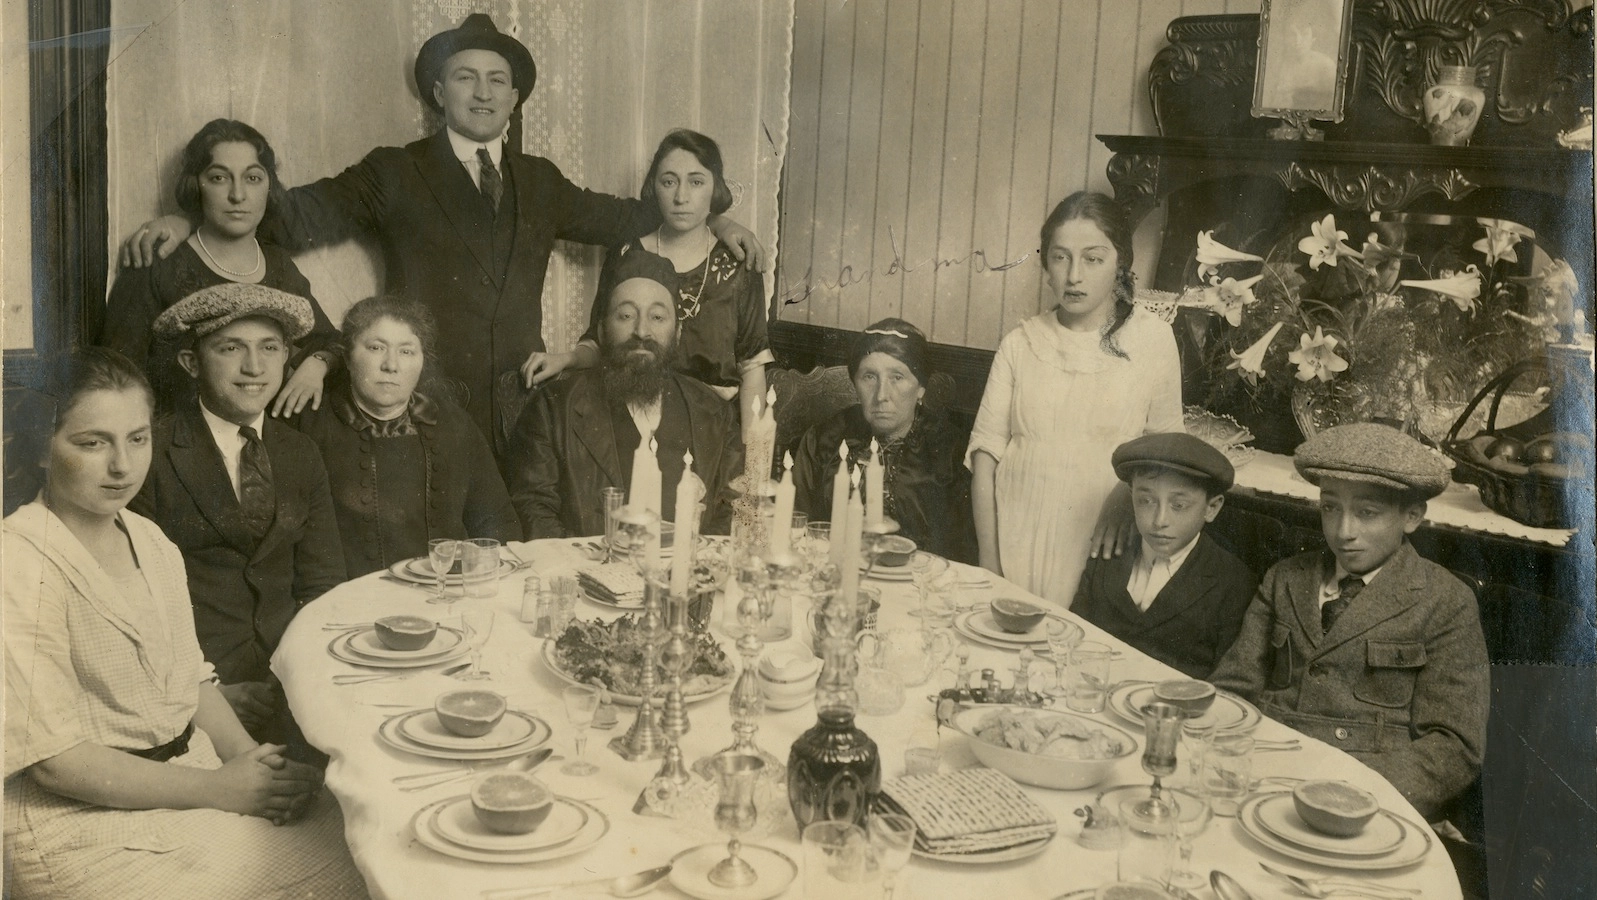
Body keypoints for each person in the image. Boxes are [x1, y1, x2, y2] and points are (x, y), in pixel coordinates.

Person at [121, 14, 764, 445]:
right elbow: (287, 214)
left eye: (497, 81)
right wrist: (187, 215)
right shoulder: (395, 171)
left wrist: (722, 212)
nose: (482, 93)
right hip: (419, 403)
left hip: (524, 406)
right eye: (465, 77)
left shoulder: (541, 180)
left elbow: (637, 213)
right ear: (438, 91)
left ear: (515, 98)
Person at [2, 348, 366, 900]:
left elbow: (188, 680)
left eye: (138, 438)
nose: (123, 465)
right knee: (357, 872)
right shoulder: (20, 562)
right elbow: (56, 764)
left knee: (364, 833)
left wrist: (249, 758)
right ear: (44, 450)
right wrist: (224, 790)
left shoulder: (150, 541)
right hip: (84, 830)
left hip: (185, 782)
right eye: (93, 442)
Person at [1210, 423, 1489, 819]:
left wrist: (1351, 789)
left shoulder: (1445, 602)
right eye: (1330, 507)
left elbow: (1453, 746)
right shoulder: (1285, 578)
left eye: (1367, 513)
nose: (1344, 532)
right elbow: (1232, 691)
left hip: (1367, 802)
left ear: (1412, 516)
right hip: (1260, 780)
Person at [130, 283, 346, 741]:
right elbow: (137, 605)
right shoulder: (151, 450)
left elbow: (323, 584)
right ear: (191, 363)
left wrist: (295, 678)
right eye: (231, 348)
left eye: (269, 348)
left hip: (292, 684)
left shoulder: (300, 452)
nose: (254, 367)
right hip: (195, 697)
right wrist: (207, 693)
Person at [967, 191, 1184, 606]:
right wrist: (988, 562)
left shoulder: (1153, 340)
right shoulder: (1020, 344)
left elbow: (1167, 447)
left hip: (1102, 547)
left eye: (1093, 258)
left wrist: (1125, 496)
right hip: (1016, 539)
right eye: (1060, 257)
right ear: (1046, 265)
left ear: (1120, 263)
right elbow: (984, 457)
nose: (1074, 276)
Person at [99, 118, 341, 417]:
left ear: (269, 187)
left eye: (252, 178)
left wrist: (317, 363)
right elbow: (116, 375)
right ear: (196, 185)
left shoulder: (278, 264)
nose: (237, 195)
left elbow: (329, 340)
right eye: (219, 178)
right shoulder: (157, 262)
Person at [507, 246, 743, 539]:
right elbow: (533, 511)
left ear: (678, 333)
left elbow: (735, 508)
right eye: (626, 315)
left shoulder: (714, 412)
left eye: (657, 317)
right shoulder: (553, 407)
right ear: (603, 331)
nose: (641, 331)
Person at [557, 130, 772, 431]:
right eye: (668, 181)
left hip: (712, 430)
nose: (681, 197)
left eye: (696, 182)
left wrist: (752, 466)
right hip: (633, 421)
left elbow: (753, 371)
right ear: (653, 188)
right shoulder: (626, 253)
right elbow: (600, 341)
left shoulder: (738, 266)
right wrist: (566, 359)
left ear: (715, 189)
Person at [292, 295, 519, 577]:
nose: (391, 365)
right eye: (376, 348)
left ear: (423, 360)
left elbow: (496, 522)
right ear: (347, 358)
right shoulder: (310, 424)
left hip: (444, 595)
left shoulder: (454, 423)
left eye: (407, 351)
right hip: (349, 601)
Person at [1071, 433, 1257, 678]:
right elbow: (1074, 634)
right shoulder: (1110, 552)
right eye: (1146, 501)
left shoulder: (1233, 582)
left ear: (1212, 508)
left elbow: (1225, 681)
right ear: (1131, 497)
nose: (1160, 521)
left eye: (1178, 506)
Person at [791, 318, 977, 564]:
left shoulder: (951, 451)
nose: (881, 396)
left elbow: (962, 555)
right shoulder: (824, 440)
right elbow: (797, 529)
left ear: (920, 387)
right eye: (869, 377)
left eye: (897, 378)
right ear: (854, 383)